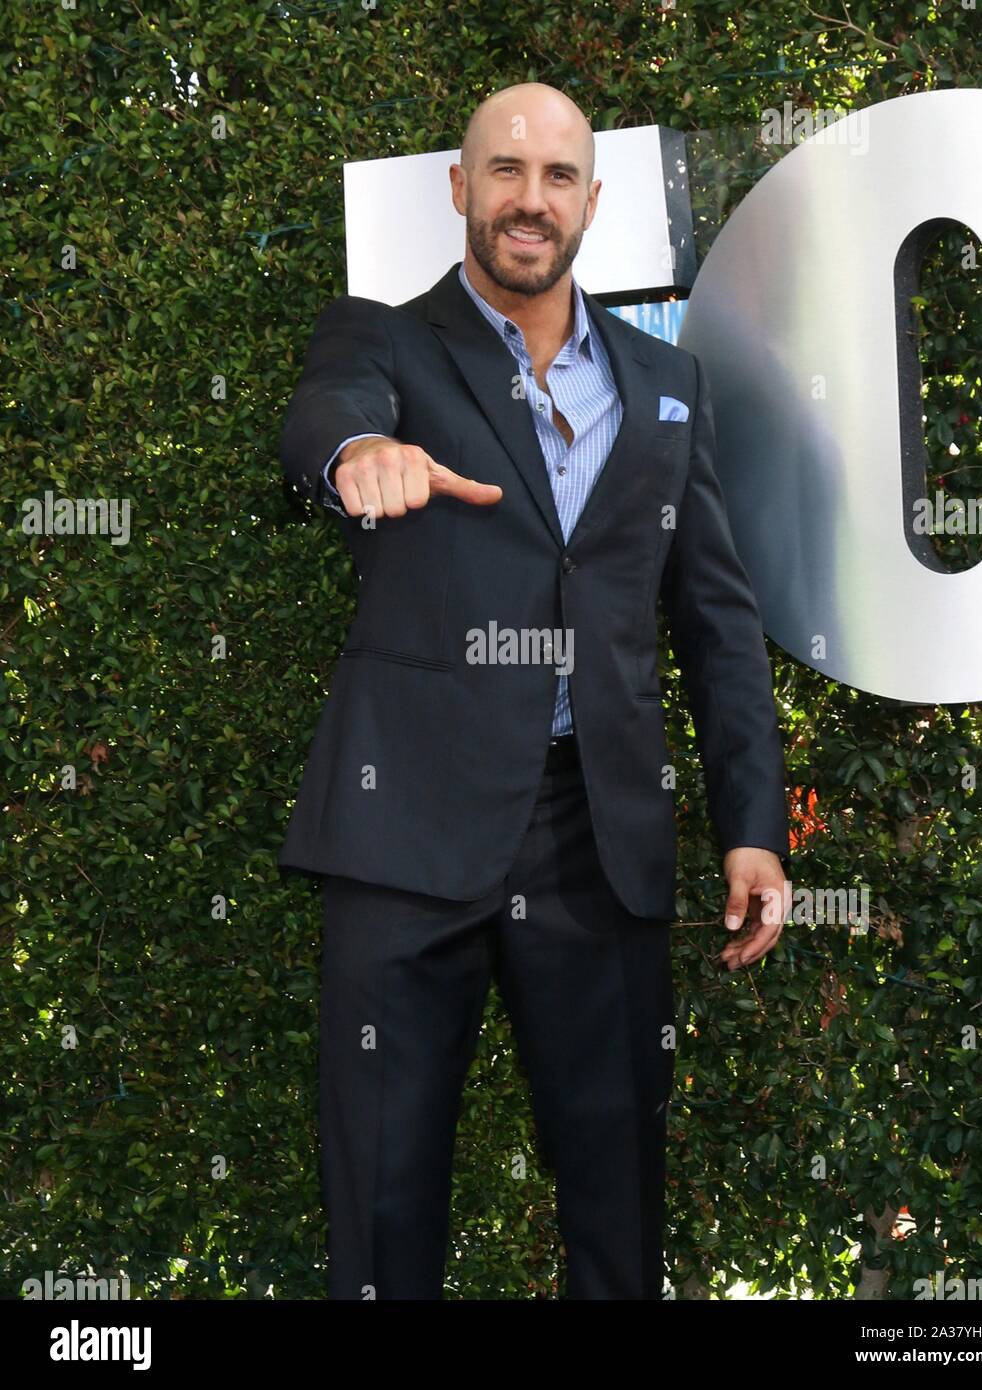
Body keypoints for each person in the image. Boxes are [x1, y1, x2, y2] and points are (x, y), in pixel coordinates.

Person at [278, 81, 791, 1300]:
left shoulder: (667, 385)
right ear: (460, 189)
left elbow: (715, 621)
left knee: (616, 1209)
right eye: (503, 170)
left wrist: (750, 828)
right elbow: (324, 419)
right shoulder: (383, 341)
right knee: (384, 1206)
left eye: (557, 176)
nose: (529, 198)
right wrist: (363, 456)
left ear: (591, 203)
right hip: (405, 825)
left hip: (594, 839)